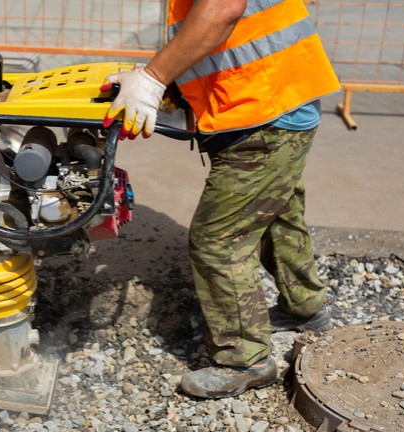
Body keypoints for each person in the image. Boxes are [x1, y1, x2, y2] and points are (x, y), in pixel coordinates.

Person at [101, 0, 341, 398]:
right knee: (275, 213)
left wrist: (154, 78)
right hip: (275, 98)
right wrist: (172, 78)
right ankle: (305, 308)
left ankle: (246, 361)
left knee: (219, 240)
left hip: (264, 112)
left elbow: (223, 8)